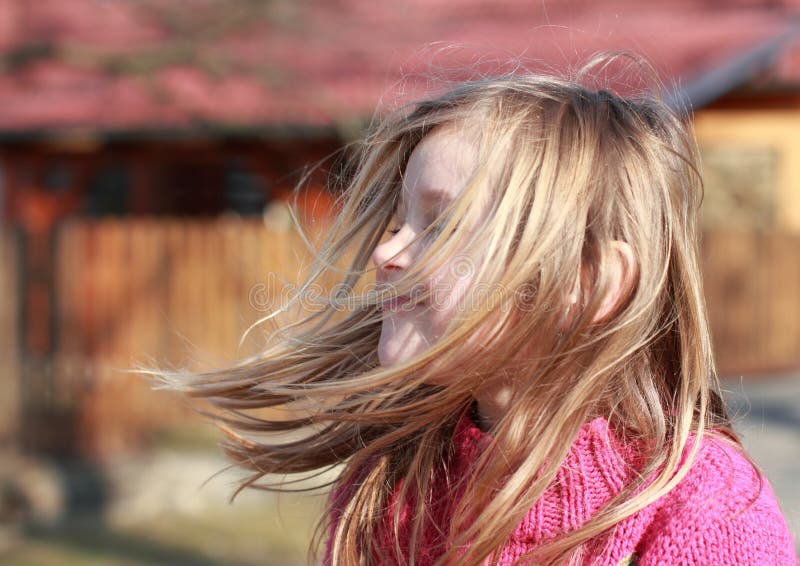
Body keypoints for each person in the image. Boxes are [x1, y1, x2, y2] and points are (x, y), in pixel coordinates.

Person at [143, 54, 796, 565]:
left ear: (586, 281)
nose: (387, 252)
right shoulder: (390, 489)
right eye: (399, 219)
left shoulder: (702, 510)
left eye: (442, 224)